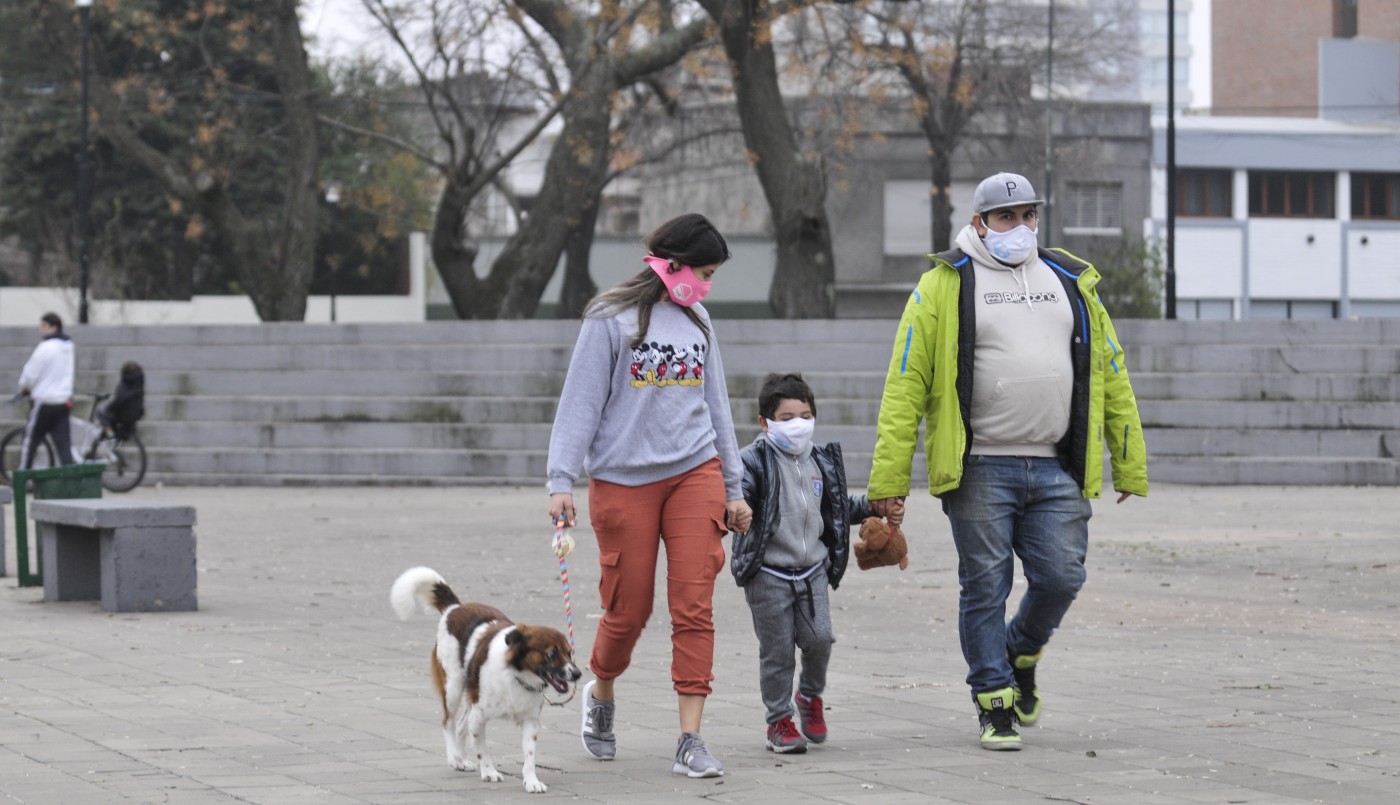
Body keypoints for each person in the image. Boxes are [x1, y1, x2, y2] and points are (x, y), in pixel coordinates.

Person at [867, 172, 1148, 751]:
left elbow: (1109, 370)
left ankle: (1021, 649)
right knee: (984, 586)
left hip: (1056, 465)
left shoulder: (1070, 279)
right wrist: (889, 483)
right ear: (979, 224)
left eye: (1028, 216)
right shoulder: (944, 285)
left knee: (1061, 576)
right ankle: (993, 700)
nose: (1020, 228)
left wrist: (1127, 459)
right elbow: (905, 385)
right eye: (1006, 218)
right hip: (979, 470)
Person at [547, 212, 753, 779]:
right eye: (703, 272)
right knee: (628, 609)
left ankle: (690, 738)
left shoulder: (699, 321)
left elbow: (718, 410)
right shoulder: (608, 318)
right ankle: (602, 693)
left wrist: (733, 489)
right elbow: (580, 402)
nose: (706, 285)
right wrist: (560, 478)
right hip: (622, 479)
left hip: (695, 472)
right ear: (673, 263)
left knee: (693, 606)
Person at [731, 372, 872, 754]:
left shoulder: (820, 460)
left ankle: (809, 696)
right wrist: (736, 509)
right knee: (777, 653)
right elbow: (736, 496)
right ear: (765, 422)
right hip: (768, 574)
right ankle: (779, 721)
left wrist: (875, 506)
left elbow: (839, 508)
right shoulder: (752, 460)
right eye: (787, 417)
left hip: (812, 573)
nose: (798, 425)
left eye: (805, 415)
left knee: (820, 639)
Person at [17, 312, 76, 469]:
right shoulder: (68, 348)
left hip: (43, 402)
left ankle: (22, 478)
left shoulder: (45, 347)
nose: (40, 330)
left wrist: (24, 388)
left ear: (53, 327)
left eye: (43, 326)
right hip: (63, 401)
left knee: (30, 443)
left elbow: (30, 374)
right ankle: (70, 482)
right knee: (64, 447)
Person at [97, 361, 146, 439]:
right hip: (135, 414)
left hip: (121, 414)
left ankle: (110, 434)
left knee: (100, 411)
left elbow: (119, 400)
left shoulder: (125, 382)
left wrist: (110, 406)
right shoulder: (139, 382)